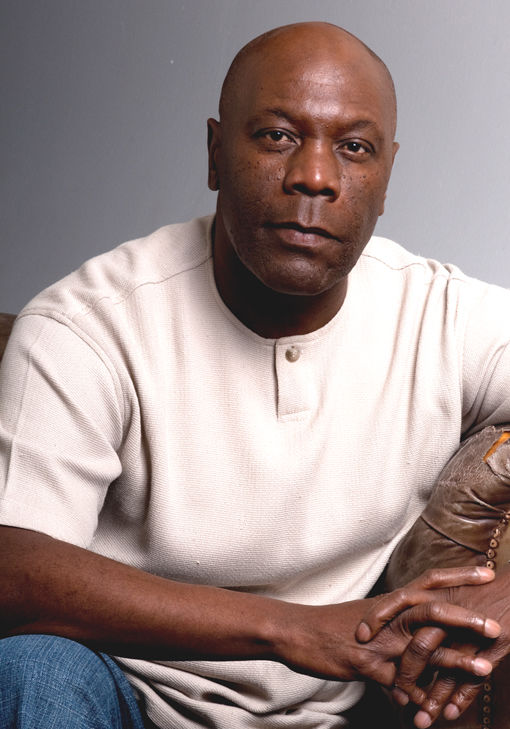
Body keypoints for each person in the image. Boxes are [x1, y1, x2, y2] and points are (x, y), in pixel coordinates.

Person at [1, 20, 510, 729]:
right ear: (215, 154)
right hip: (127, 697)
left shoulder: (441, 316)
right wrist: (293, 631)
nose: (315, 176)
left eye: (354, 148)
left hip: (345, 713)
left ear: (387, 175)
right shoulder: (89, 325)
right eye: (277, 136)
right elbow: (14, 568)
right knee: (33, 669)